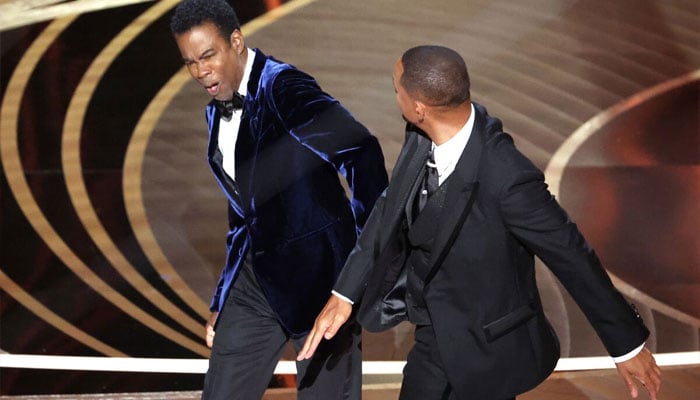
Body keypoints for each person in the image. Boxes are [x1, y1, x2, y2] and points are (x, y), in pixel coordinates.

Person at [298, 45, 662, 400]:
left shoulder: (508, 177)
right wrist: (344, 294)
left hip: (490, 350)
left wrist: (626, 345)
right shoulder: (421, 134)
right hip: (433, 336)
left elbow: (571, 254)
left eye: (397, 90)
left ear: (419, 108)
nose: (396, 97)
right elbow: (389, 207)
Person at [169, 0, 388, 398]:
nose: (200, 71)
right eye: (190, 62)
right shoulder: (216, 111)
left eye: (208, 56)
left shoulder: (284, 88)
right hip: (257, 280)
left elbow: (362, 152)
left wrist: (357, 270)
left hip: (320, 282)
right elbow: (243, 211)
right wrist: (223, 296)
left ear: (236, 41)